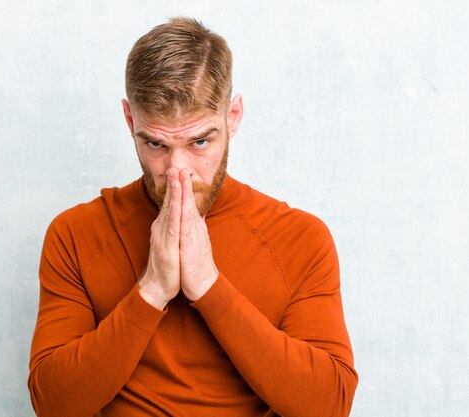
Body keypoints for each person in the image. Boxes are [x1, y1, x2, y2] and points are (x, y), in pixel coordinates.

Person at [27, 17, 358, 417]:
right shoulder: (76, 234)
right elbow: (54, 405)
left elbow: (328, 406)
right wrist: (151, 290)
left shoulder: (300, 237)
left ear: (232, 117)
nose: (177, 170)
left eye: (200, 141)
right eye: (155, 144)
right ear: (130, 121)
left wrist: (208, 286)